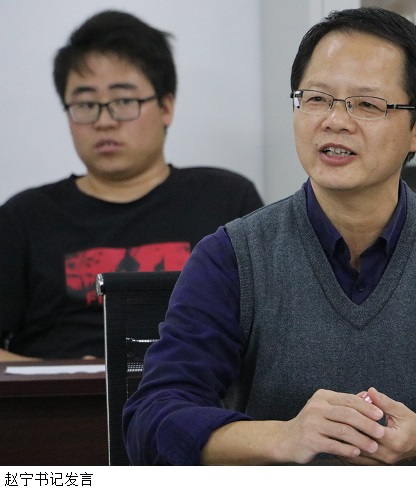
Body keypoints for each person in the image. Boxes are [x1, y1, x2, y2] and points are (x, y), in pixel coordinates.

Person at [123, 7, 416, 465]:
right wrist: (284, 438)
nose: (335, 121)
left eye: (367, 104)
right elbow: (152, 419)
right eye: (317, 98)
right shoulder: (230, 256)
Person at [0, 10, 263, 361]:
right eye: (86, 104)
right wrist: (62, 373)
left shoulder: (227, 200)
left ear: (166, 107)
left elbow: (271, 330)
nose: (104, 121)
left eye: (124, 101)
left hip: (195, 390)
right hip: (60, 393)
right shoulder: (23, 218)